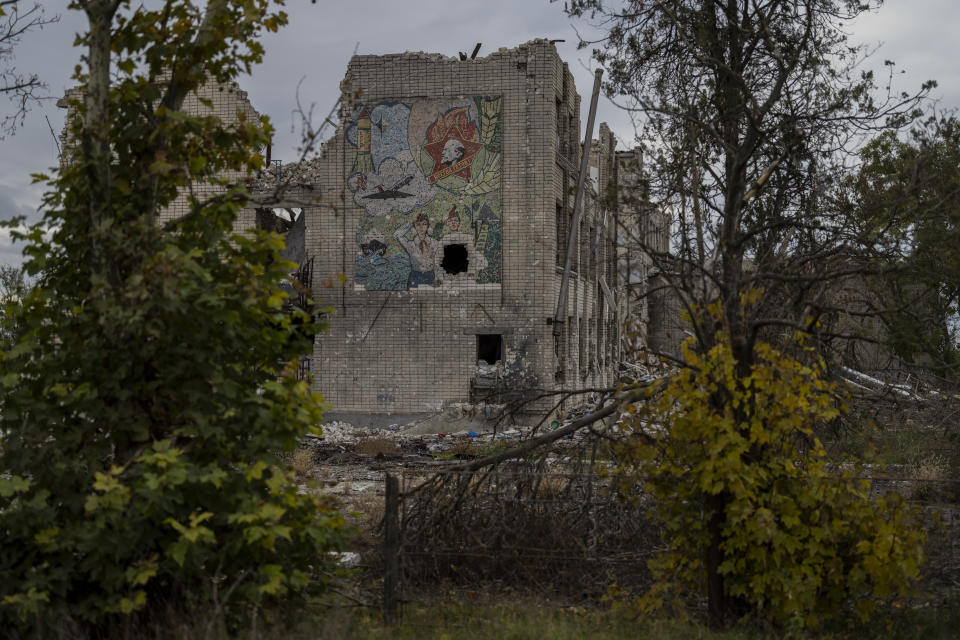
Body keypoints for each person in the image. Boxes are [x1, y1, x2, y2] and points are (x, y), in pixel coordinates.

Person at [394, 213, 439, 288]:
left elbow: (438, 263)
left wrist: (437, 278)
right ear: (414, 227)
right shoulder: (410, 245)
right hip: (415, 278)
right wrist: (410, 222)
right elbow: (397, 235)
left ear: (428, 226)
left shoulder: (434, 243)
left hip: (430, 277)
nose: (421, 227)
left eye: (424, 224)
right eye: (418, 224)